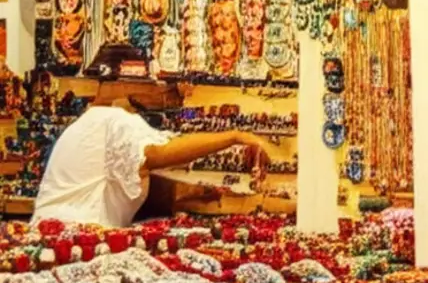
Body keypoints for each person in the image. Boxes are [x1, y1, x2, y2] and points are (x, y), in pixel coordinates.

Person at [34, 88, 276, 229]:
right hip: (73, 236)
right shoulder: (114, 122)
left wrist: (206, 191)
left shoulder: (86, 129)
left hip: (52, 232)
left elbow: (151, 185)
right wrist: (235, 137)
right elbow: (156, 155)